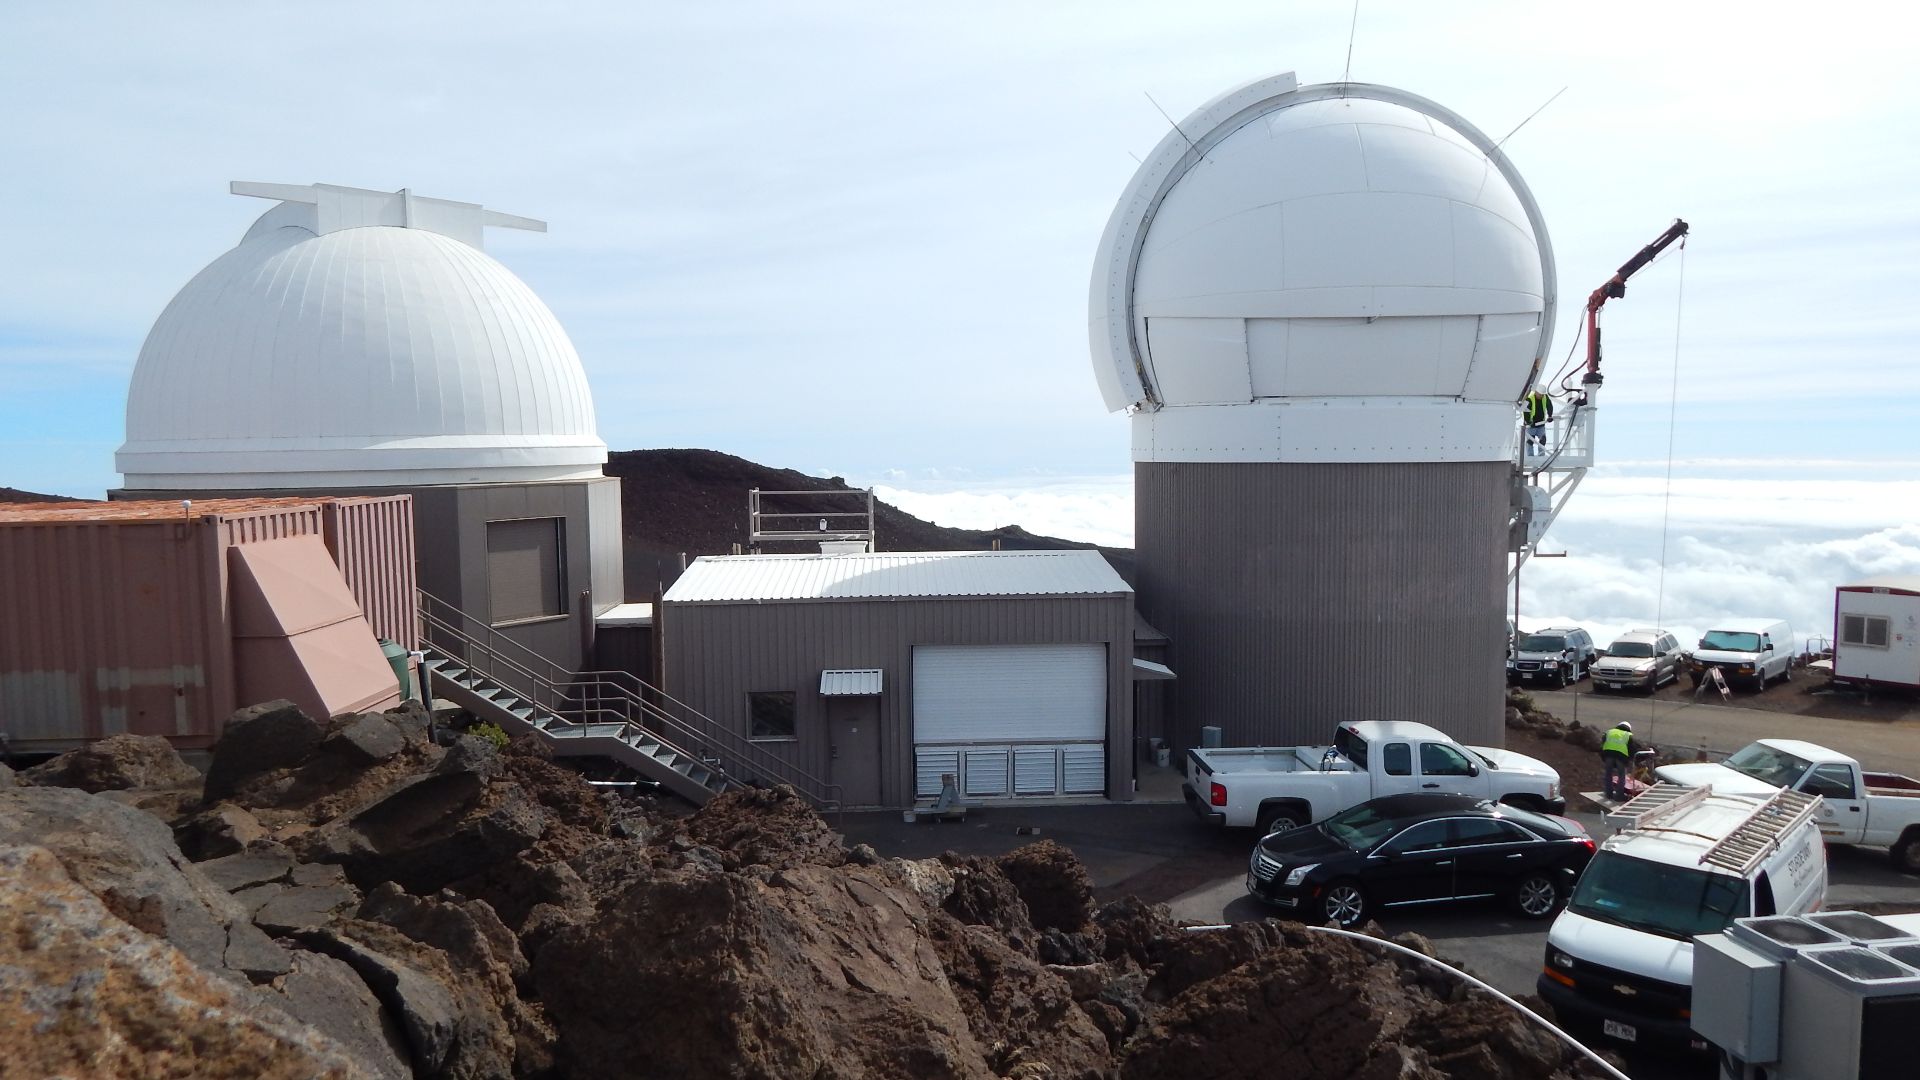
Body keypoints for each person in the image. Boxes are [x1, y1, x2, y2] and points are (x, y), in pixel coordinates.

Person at [1600, 721, 1642, 802]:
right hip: (1621, 757)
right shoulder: (1628, 735)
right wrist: (1630, 760)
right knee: (1621, 776)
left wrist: (1603, 756)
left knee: (1608, 774)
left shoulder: (1609, 732)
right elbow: (1632, 749)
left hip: (1608, 754)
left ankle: (1609, 794)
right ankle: (1619, 796)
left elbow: (1602, 743)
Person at [1524, 387, 1554, 456]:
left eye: (1543, 394)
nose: (1542, 396)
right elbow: (1526, 411)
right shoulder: (1529, 398)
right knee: (1530, 442)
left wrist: (1550, 416)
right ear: (1536, 392)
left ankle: (1541, 458)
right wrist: (1528, 422)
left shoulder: (1545, 397)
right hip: (1531, 426)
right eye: (1540, 394)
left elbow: (1549, 406)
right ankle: (1530, 458)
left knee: (1543, 441)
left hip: (1541, 424)